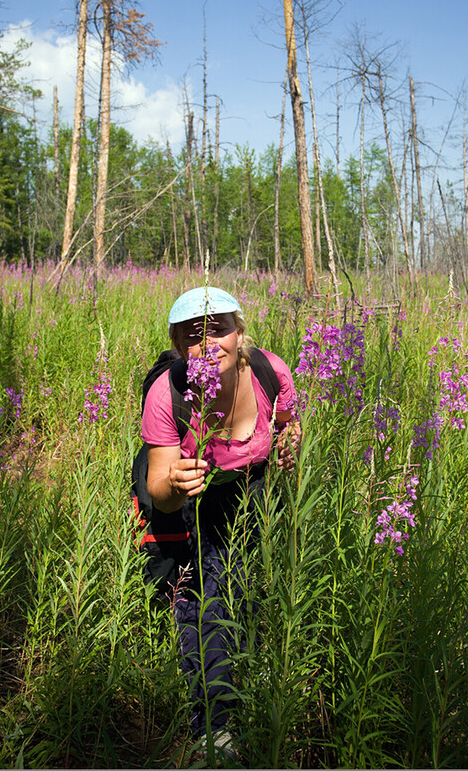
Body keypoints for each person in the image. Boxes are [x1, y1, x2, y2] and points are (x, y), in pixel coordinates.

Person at [141, 286, 300, 762]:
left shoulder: (272, 373)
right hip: (184, 489)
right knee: (200, 593)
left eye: (220, 329)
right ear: (176, 345)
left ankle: (251, 680)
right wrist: (175, 482)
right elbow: (159, 493)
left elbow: (291, 424)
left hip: (247, 483)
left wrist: (292, 443)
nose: (209, 344)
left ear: (240, 332)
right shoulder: (168, 395)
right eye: (193, 335)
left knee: (247, 585)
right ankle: (214, 723)